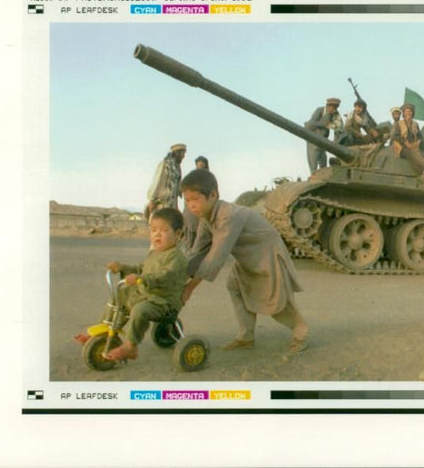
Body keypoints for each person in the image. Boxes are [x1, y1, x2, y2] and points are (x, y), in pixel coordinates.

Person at [180, 169, 309, 353]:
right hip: (247, 258)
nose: (191, 206)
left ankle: (300, 333)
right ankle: (246, 336)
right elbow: (197, 252)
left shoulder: (228, 215)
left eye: (195, 199)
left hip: (267, 254)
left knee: (277, 300)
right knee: (235, 286)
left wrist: (190, 288)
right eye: (187, 201)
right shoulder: (206, 219)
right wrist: (179, 276)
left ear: (213, 195)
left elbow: (215, 257)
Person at [76, 207, 189, 362]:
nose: (157, 234)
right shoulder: (155, 253)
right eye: (154, 230)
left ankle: (131, 346)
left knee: (139, 310)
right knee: (120, 296)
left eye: (164, 230)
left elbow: (165, 276)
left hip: (164, 302)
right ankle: (105, 330)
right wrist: (123, 268)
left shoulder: (176, 258)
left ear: (178, 235)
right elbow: (141, 269)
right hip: (146, 294)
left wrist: (143, 278)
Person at [146, 143, 186, 217]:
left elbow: (176, 189)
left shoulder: (177, 167)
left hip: (171, 204)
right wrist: (152, 200)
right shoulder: (165, 164)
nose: (183, 156)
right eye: (182, 153)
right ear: (176, 153)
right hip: (161, 202)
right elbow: (157, 181)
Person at [304, 98, 343, 173]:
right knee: (313, 163)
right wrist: (323, 124)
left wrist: (336, 142)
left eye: (336, 107)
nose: (334, 109)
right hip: (313, 139)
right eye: (332, 107)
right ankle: (313, 176)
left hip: (323, 141)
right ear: (328, 106)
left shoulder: (335, 114)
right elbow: (310, 123)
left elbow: (339, 128)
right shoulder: (320, 111)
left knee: (323, 162)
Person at [390, 103, 424, 174]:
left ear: (412, 113)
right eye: (406, 111)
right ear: (403, 113)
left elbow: (420, 136)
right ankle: (420, 171)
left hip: (413, 145)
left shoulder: (415, 124)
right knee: (409, 154)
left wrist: (418, 142)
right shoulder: (399, 123)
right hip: (401, 146)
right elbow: (396, 136)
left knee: (419, 154)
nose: (408, 113)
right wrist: (405, 142)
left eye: (410, 111)